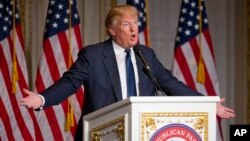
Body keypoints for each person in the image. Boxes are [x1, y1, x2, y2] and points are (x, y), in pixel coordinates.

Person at [19, 4, 235, 140]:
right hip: (103, 135)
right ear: (112, 30)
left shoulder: (146, 55)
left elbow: (170, 84)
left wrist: (206, 103)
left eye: (135, 23)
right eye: (126, 24)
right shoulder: (93, 55)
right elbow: (70, 83)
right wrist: (42, 99)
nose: (134, 29)